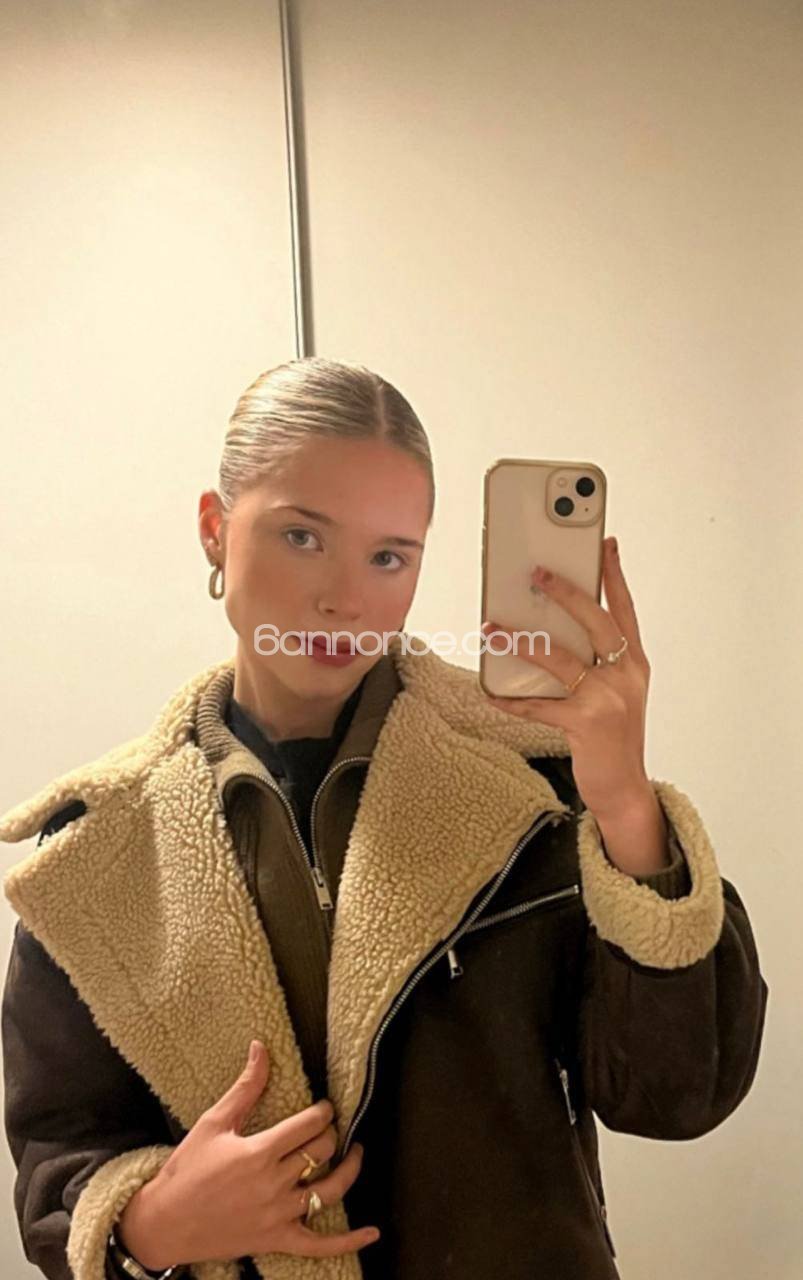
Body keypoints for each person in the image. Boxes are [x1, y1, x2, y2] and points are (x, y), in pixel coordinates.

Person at [0, 357, 768, 1280]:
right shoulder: (99, 850)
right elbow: (60, 1156)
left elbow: (676, 1096)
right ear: (214, 529)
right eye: (301, 536)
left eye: (389, 556)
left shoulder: (531, 787)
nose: (345, 598)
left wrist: (625, 805)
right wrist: (157, 1222)